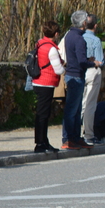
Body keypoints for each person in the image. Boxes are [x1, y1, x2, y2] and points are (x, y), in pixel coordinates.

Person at [60, 10, 94, 149]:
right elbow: (81, 61)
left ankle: (75, 137)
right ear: (84, 22)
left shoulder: (69, 35)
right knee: (72, 109)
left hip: (71, 74)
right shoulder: (79, 38)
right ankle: (68, 138)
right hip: (76, 75)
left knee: (75, 108)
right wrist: (93, 63)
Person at [31, 22, 64, 153]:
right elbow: (58, 70)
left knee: (42, 113)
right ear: (56, 34)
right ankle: (41, 143)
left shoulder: (40, 43)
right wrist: (63, 65)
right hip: (47, 83)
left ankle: (43, 141)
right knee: (43, 114)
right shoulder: (51, 49)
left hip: (38, 81)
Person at [81, 14, 105, 145]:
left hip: (79, 71)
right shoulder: (95, 40)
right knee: (89, 104)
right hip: (92, 71)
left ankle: (73, 133)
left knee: (79, 103)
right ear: (95, 26)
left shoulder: (79, 37)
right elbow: (100, 61)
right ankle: (88, 134)